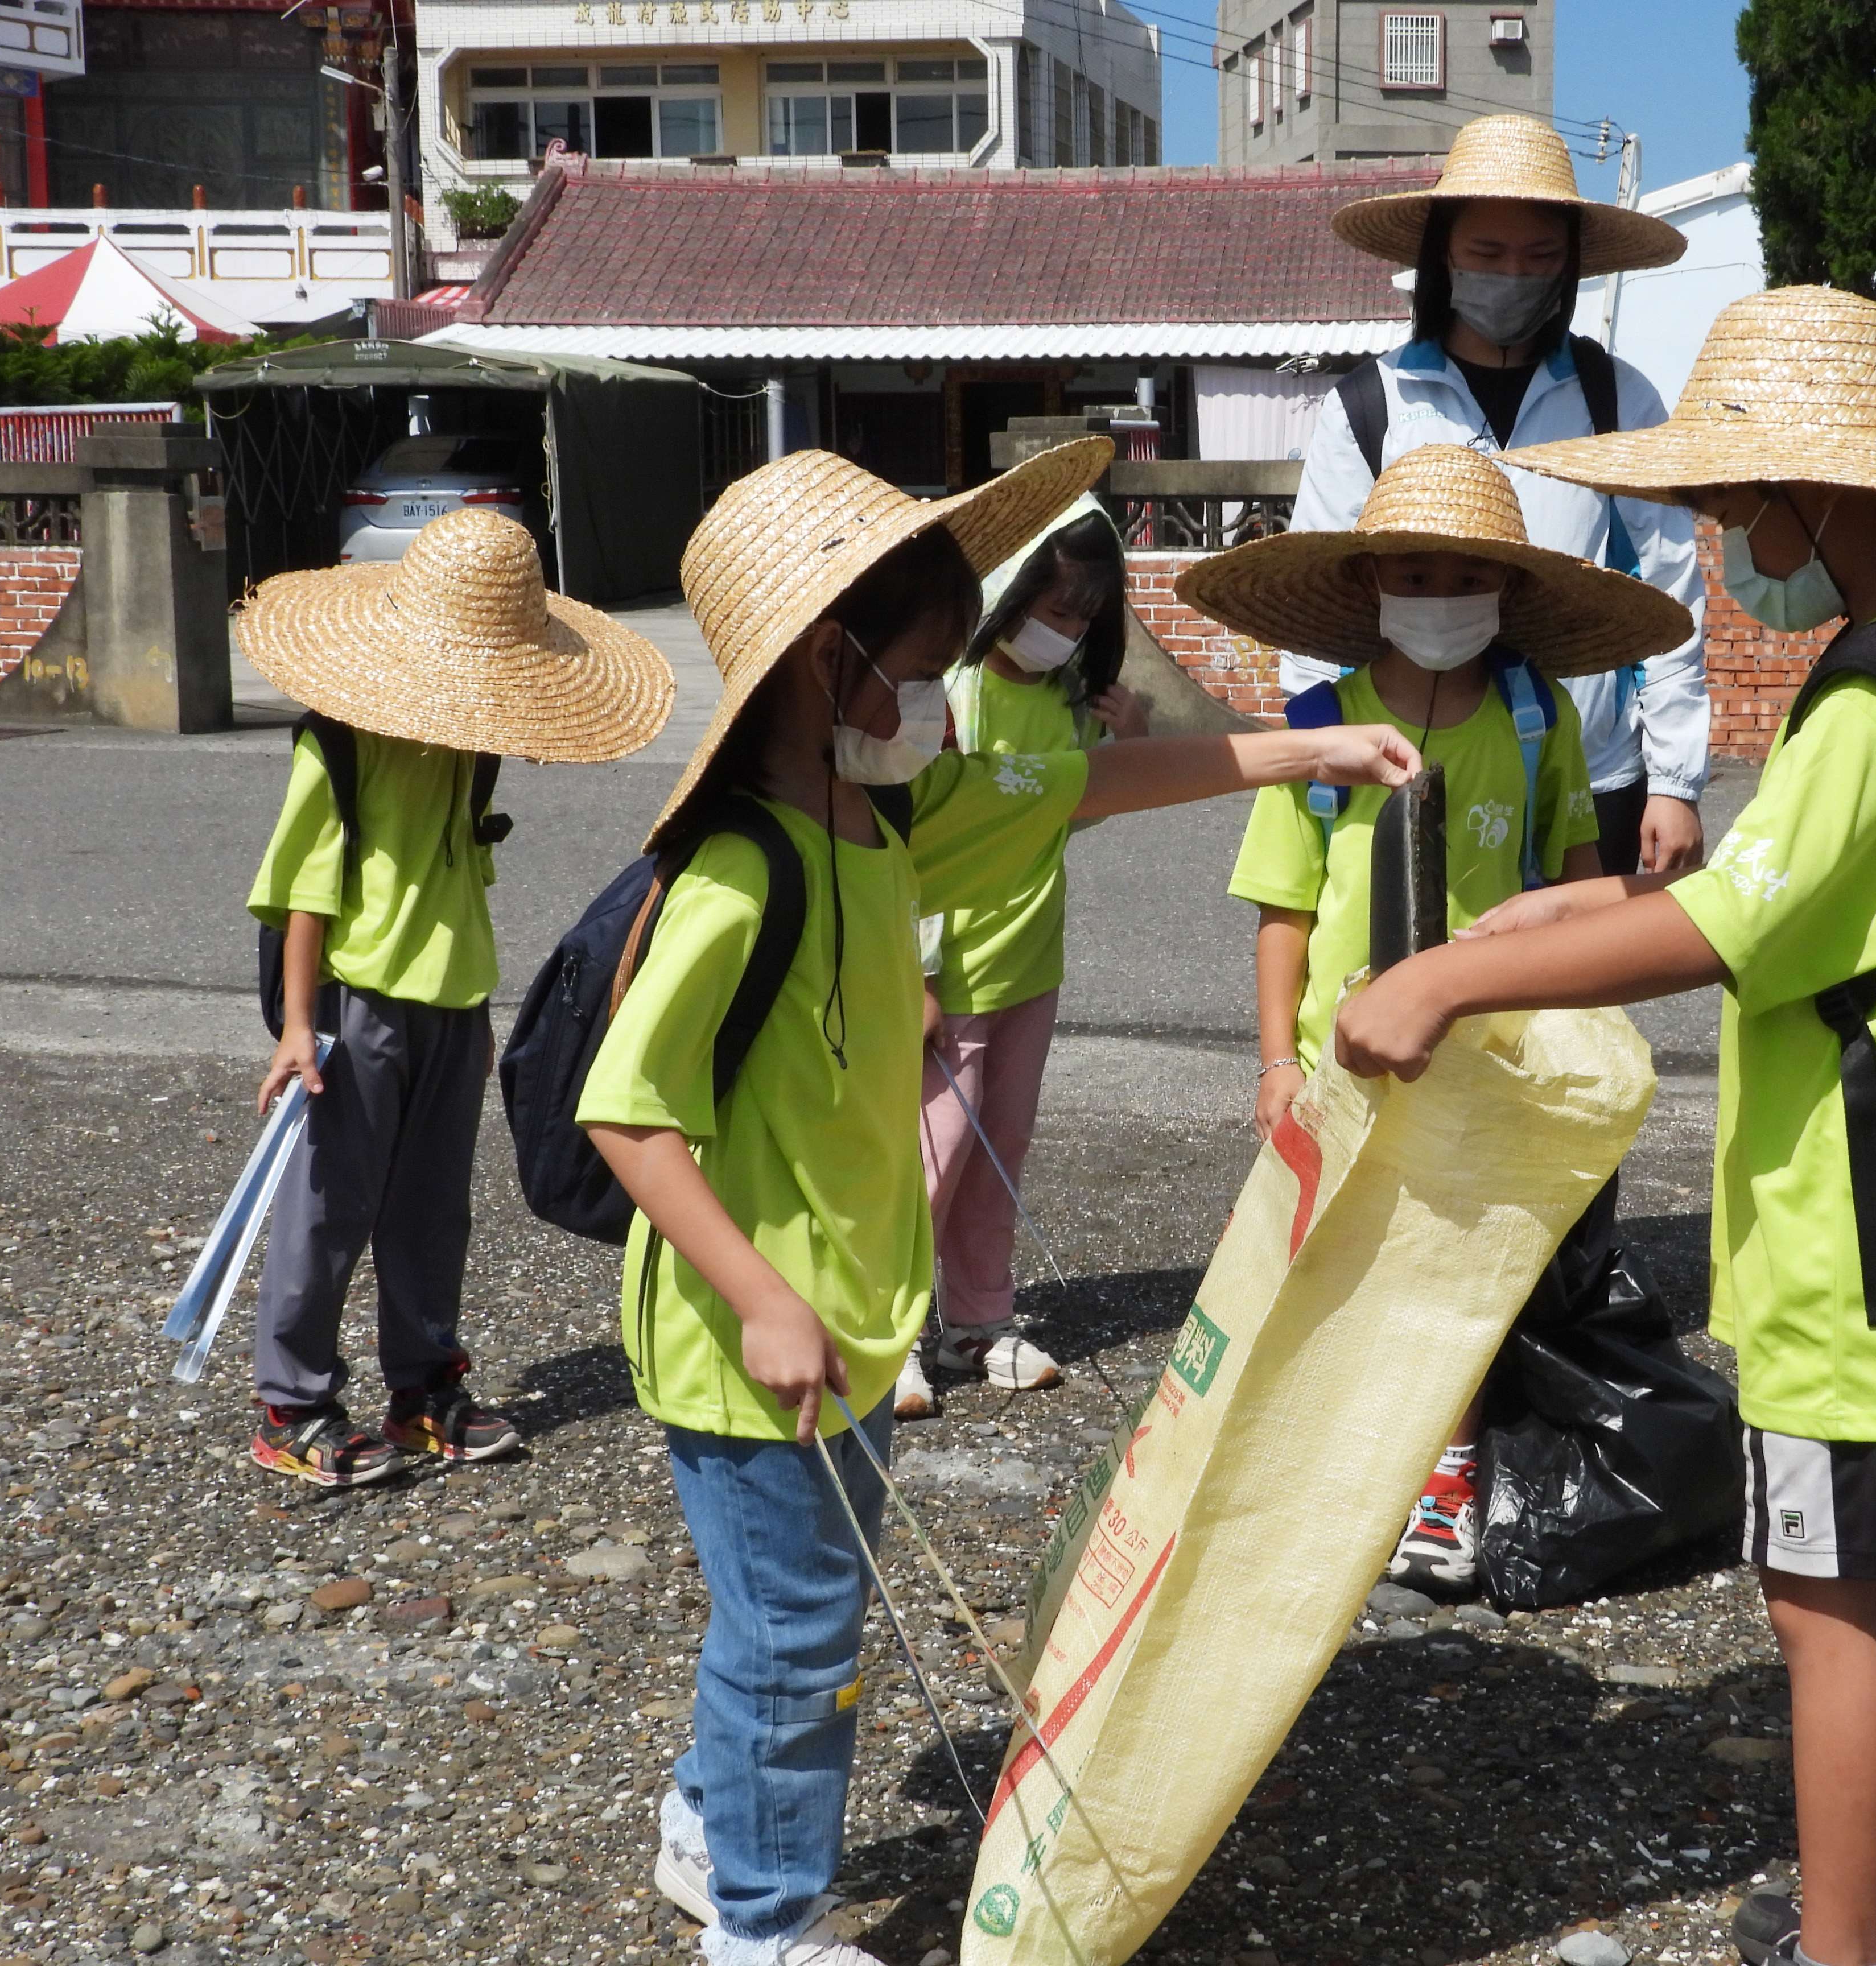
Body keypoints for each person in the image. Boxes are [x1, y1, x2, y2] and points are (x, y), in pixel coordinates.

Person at [1331, 287, 1876, 1966]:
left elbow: (1721, 934)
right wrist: (1525, 926)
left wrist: (1451, 989)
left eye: (1737, 503)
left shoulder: (1872, 705)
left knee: (1825, 1614)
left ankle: (1842, 1949)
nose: (1728, 544)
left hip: (1857, 1241)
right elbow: (1768, 887)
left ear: (1819, 490)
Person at [571, 441, 1419, 1966]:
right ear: (828, 664)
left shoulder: (889, 810)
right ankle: (764, 1931)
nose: (939, 703)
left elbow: (1089, 782)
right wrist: (764, 1298)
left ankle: (711, 1819)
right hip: (755, 1339)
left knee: (781, 1608)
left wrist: (1309, 753)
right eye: (919, 670)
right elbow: (629, 1115)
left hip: (848, 1314)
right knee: (803, 1638)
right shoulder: (740, 877)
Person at [1189, 441, 1690, 1594]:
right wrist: (1275, 1062)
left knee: (1454, 1272)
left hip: (1488, 1057)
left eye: (1459, 578)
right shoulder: (1319, 726)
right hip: (1338, 1059)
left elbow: (1576, 882)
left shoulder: (1537, 717)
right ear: (1366, 584)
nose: (1435, 600)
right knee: (1320, 1258)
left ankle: (1444, 1468)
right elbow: (1284, 912)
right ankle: (1304, 1466)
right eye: (1408, 577)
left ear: (1509, 589)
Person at [241, 506, 675, 1486]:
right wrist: (299, 1028)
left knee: (433, 1209)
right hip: (358, 1011)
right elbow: (305, 892)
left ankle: (423, 1386)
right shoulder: (340, 746)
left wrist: (475, 1017)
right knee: (327, 1207)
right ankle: (293, 1403)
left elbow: (459, 889)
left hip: (447, 1008)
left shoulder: (467, 749)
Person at [1285, 111, 1710, 877]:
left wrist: (1676, 782)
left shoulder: (1620, 402)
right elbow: (1319, 603)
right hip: (1410, 766)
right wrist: (1317, 763)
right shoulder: (1368, 407)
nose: (1513, 274)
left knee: (1577, 995)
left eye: (1540, 255)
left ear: (1571, 264)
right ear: (1443, 250)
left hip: (1592, 776)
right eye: (1487, 252)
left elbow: (1672, 595)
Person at [897, 498, 1149, 1417]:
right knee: (929, 1155)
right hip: (949, 973)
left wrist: (1132, 750)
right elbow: (914, 841)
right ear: (1005, 594)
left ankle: (976, 1322)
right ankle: (884, 1335)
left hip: (1031, 964)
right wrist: (917, 977)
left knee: (1000, 1149)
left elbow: (1066, 813)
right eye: (1054, 612)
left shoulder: (1062, 700)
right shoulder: (950, 696)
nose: (1066, 633)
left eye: (1084, 619)